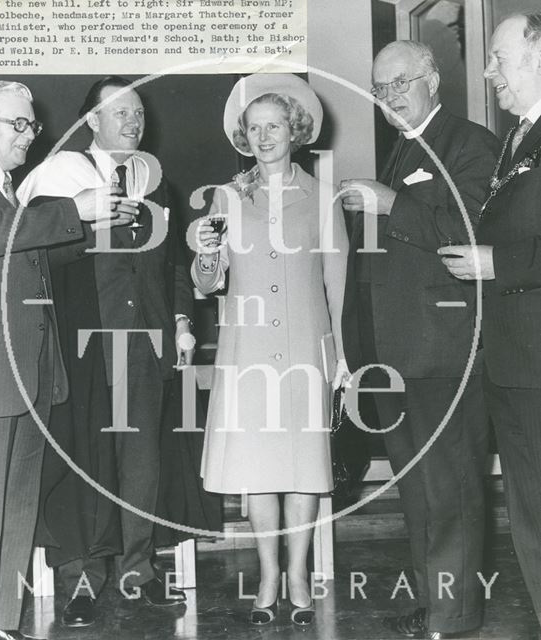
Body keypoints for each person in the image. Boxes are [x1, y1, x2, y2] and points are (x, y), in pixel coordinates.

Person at [0, 81, 136, 640]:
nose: (30, 135)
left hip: (27, 373)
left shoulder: (4, 189)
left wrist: (95, 228)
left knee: (15, 513)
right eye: (18, 124)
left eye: (32, 126)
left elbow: (29, 254)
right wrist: (75, 209)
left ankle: (0, 626)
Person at [18, 76, 194, 627]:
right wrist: (85, 219)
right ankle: (83, 583)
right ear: (90, 122)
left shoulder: (155, 184)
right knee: (83, 462)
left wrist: (183, 322)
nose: (133, 122)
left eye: (138, 112)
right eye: (119, 112)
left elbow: (171, 268)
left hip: (143, 345)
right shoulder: (59, 178)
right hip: (82, 348)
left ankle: (137, 572)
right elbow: (36, 255)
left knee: (141, 466)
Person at [341, 41, 499, 638]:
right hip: (397, 353)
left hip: (446, 348)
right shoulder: (403, 149)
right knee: (416, 490)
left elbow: (469, 228)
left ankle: (454, 617)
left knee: (451, 488)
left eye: (400, 83)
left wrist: (389, 202)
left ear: (433, 80)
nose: (389, 98)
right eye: (379, 89)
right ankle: (435, 601)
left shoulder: (471, 143)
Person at [192, 73, 349, 627]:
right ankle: (266, 575)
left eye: (274, 126)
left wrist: (342, 358)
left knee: (304, 468)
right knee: (258, 468)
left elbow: (338, 284)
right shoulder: (225, 196)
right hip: (249, 350)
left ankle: (300, 576)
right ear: (244, 135)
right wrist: (207, 256)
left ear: (295, 131)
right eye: (254, 127)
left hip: (307, 347)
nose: (264, 136)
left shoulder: (323, 198)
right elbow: (208, 281)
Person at [440, 12, 541, 634]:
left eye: (499, 59)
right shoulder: (518, 137)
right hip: (513, 362)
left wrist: (494, 262)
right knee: (529, 515)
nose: (486, 71)